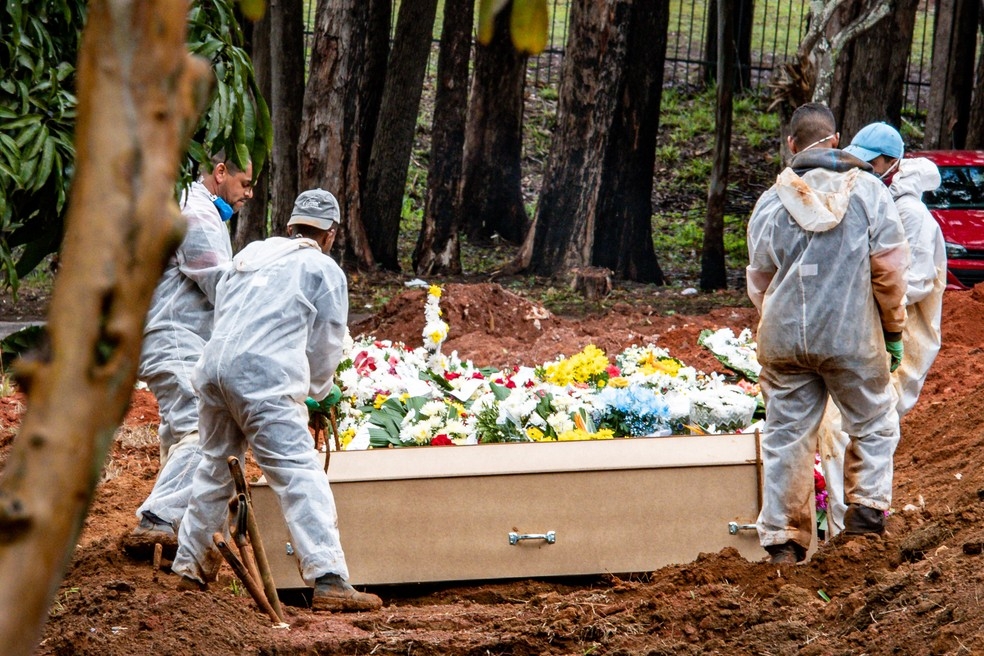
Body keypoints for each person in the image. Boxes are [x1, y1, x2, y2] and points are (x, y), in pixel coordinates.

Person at [170, 189, 382, 612]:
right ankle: (328, 578)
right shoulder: (322, 269)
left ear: (290, 226)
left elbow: (227, 307)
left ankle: (189, 570)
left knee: (214, 468)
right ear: (331, 235)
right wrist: (318, 393)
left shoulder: (251, 253)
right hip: (263, 380)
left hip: (212, 371)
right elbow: (326, 345)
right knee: (298, 471)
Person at [746, 103, 909, 564]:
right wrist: (893, 332)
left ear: (792, 146)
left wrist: (783, 319)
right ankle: (863, 525)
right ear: (836, 140)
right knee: (874, 422)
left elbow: (760, 279)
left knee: (786, 435)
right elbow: (890, 271)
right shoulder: (869, 193)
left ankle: (782, 545)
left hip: (784, 341)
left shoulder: (771, 201)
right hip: (851, 338)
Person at [817, 122, 945, 535]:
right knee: (843, 427)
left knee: (860, 426)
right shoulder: (884, 200)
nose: (864, 168)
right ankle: (846, 524)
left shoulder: (912, 213)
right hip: (871, 331)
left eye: (871, 161)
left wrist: (857, 298)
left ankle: (856, 527)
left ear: (891, 162)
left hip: (899, 338)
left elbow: (917, 281)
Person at [125, 151, 253, 551]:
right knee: (205, 431)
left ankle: (171, 535)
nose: (249, 194)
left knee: (180, 431)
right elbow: (220, 285)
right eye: (245, 184)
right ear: (219, 173)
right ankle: (158, 519)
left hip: (174, 337)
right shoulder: (197, 214)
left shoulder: (196, 209)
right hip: (175, 337)